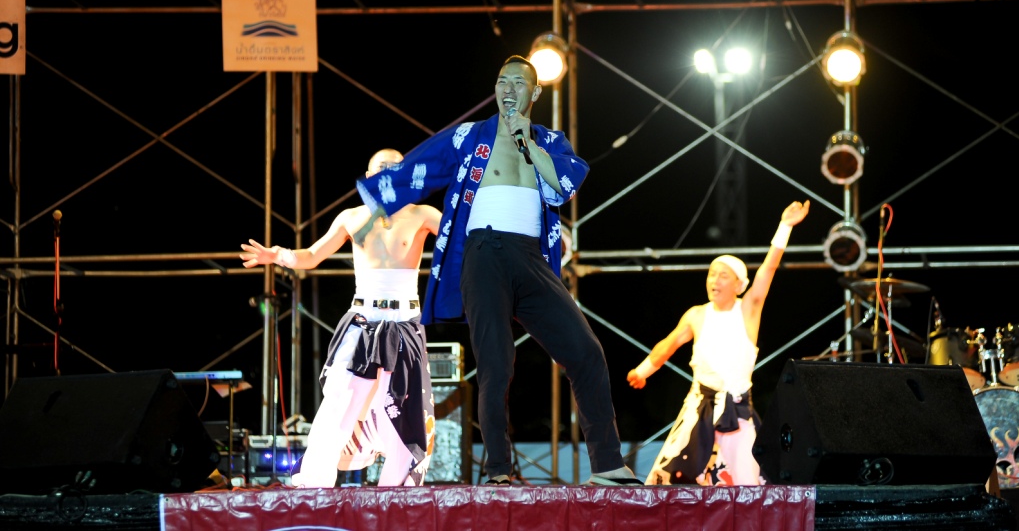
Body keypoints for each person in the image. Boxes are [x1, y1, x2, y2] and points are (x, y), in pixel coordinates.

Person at [351, 55, 641, 486]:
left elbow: (563, 186)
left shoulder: (548, 141)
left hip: (531, 258)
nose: (508, 89)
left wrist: (530, 143)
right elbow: (421, 165)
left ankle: (607, 464)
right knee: (496, 363)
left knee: (586, 351)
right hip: (484, 252)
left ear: (534, 92)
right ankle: (499, 471)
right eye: (502, 81)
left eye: (518, 83)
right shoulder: (471, 135)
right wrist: (376, 209)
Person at [239, 148, 442, 487]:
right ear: (369, 175)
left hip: (404, 321)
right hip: (363, 318)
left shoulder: (421, 213)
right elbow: (312, 255)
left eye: (395, 167)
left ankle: (399, 489)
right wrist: (278, 255)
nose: (388, 172)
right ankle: (313, 482)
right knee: (339, 400)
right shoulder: (352, 217)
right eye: (381, 167)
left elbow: (462, 234)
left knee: (401, 407)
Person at [627, 200, 810, 486]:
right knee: (670, 482)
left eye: (723, 275)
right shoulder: (697, 314)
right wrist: (642, 371)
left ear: (739, 284)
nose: (715, 280)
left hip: (737, 413)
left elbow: (768, 269)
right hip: (697, 409)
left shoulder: (747, 309)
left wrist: (785, 226)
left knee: (748, 484)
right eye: (712, 273)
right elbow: (669, 344)